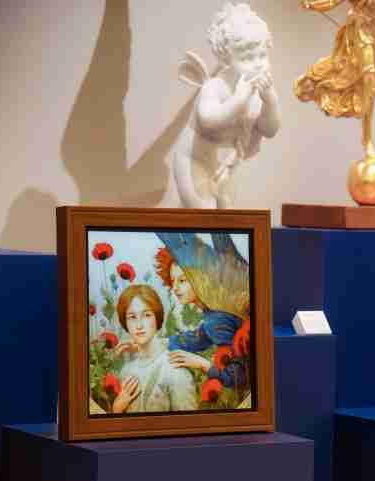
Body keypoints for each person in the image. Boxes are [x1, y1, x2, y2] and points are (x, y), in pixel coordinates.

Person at [174, 2, 281, 209]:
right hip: (193, 161)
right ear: (226, 57)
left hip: (224, 166)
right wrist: (238, 100)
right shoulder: (215, 86)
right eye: (248, 58)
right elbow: (208, 121)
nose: (258, 63)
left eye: (262, 55)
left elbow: (270, 129)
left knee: (228, 215)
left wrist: (270, 101)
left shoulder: (258, 93)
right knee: (204, 212)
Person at [295, 0, 375, 159]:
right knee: (369, 78)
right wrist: (313, 4)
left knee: (362, 80)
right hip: (362, 29)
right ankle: (367, 139)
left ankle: (322, 81)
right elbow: (332, 1)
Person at [154, 233, 250, 392]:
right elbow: (199, 338)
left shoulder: (217, 317)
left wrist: (202, 364)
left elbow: (237, 376)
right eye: (172, 281)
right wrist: (160, 343)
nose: (175, 288)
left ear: (199, 278)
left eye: (182, 281)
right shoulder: (214, 312)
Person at [111, 284, 197, 414]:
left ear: (157, 317)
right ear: (125, 323)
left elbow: (188, 424)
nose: (139, 325)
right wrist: (117, 409)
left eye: (146, 315)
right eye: (132, 317)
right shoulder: (126, 371)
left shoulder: (175, 370)